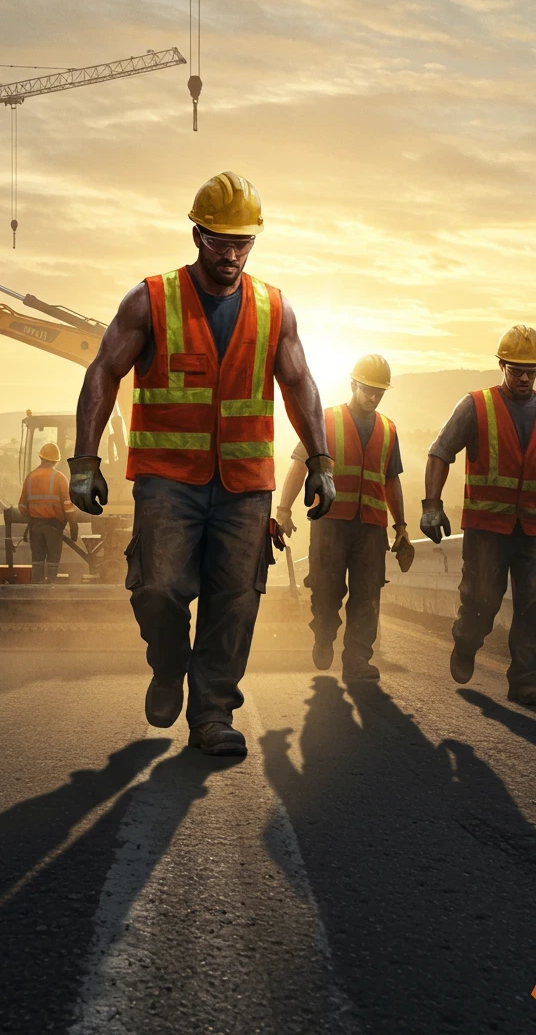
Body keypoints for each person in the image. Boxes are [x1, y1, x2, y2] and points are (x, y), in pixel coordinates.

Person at [68, 171, 335, 756]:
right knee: (159, 588)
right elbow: (104, 371)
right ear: (196, 235)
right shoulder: (151, 299)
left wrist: (321, 459)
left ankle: (212, 712)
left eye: (243, 242)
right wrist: (85, 459)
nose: (233, 254)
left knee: (236, 598)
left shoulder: (274, 308)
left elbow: (300, 382)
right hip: (169, 480)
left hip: (244, 486)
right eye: (220, 241)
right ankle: (168, 666)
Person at [420, 326, 536, 706]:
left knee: (535, 603)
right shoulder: (475, 406)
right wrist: (432, 506)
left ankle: (524, 679)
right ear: (501, 365)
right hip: (487, 527)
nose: (524, 377)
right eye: (517, 370)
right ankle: (467, 641)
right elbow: (440, 452)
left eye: (531, 371)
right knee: (482, 600)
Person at [276, 353, 414, 683]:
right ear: (353, 384)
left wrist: (402, 527)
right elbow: (300, 465)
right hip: (330, 524)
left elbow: (391, 480)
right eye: (368, 388)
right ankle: (324, 636)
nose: (374, 396)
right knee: (326, 592)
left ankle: (357, 660)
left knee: (367, 595)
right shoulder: (324, 420)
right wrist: (283, 511)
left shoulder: (388, 429)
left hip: (370, 527)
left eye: (380, 391)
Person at [17, 442, 79, 582]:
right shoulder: (59, 478)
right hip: (54, 526)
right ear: (56, 460)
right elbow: (68, 506)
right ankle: (50, 588)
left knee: (37, 560)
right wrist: (73, 524)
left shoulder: (30, 477)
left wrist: (34, 514)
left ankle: (37, 588)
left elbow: (22, 506)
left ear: (41, 458)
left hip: (35, 526)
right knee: (53, 559)